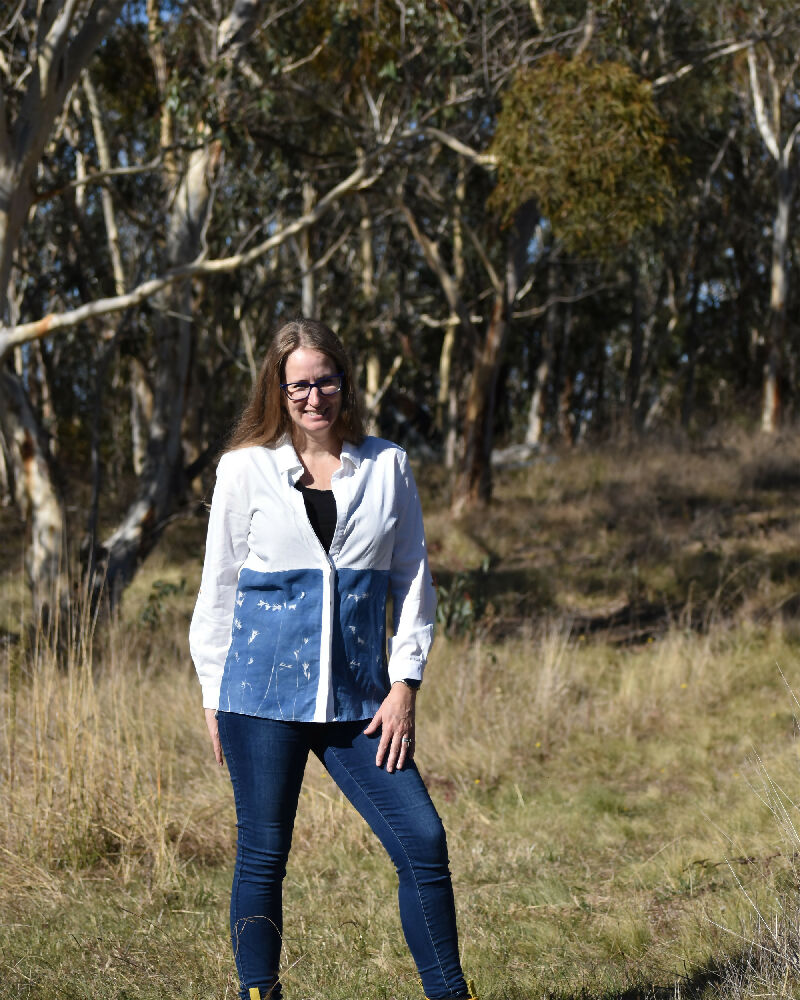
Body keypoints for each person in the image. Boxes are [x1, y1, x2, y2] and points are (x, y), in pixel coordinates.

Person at [189, 318, 477, 1000]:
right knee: (263, 857)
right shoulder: (245, 469)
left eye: (325, 381)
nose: (313, 396)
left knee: (423, 843)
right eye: (298, 385)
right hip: (258, 700)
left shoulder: (387, 465)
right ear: (278, 389)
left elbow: (412, 581)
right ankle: (260, 994)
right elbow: (219, 589)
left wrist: (405, 683)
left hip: (360, 702)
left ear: (344, 383)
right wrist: (212, 694)